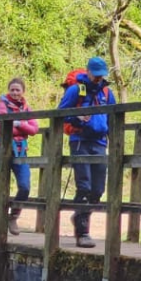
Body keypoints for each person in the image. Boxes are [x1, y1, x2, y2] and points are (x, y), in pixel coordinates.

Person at [58, 56, 116, 249]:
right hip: (80, 141)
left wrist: (116, 140)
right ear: (88, 72)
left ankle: (80, 216)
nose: (99, 79)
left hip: (99, 143)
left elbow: (115, 117)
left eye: (102, 76)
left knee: (98, 189)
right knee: (84, 187)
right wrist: (77, 118)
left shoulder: (107, 93)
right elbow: (60, 113)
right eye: (96, 75)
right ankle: (83, 232)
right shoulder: (76, 90)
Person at [0, 77, 39, 235]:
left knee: (25, 187)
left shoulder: (26, 108)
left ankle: (13, 216)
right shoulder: (1, 106)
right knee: (2, 188)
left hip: (21, 151)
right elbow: (1, 128)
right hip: (2, 151)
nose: (15, 92)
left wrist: (19, 124)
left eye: (18, 90)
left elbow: (34, 129)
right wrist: (22, 128)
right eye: (12, 89)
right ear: (8, 90)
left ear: (23, 91)